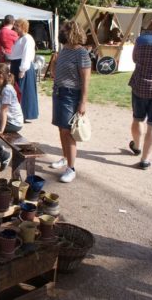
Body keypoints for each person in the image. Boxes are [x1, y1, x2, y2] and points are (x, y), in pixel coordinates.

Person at [50, 20, 91, 183]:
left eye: (63, 29)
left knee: (68, 132)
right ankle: (65, 158)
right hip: (58, 92)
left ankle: (71, 168)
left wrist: (83, 102)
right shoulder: (64, 50)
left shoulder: (81, 53)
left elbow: (86, 79)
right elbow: (55, 74)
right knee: (61, 129)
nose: (61, 31)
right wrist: (53, 63)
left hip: (71, 95)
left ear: (71, 31)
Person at [128, 10, 152, 170]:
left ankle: (137, 146)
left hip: (140, 85)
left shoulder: (142, 39)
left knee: (138, 118)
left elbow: (134, 59)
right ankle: (145, 160)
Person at [8, 18, 39, 121]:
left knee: (23, 90)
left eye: (17, 25)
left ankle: (25, 114)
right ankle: (18, 113)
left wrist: (23, 69)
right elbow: (16, 54)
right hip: (16, 65)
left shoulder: (27, 39)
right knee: (16, 90)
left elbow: (27, 54)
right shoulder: (19, 39)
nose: (15, 27)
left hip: (22, 66)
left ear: (22, 27)